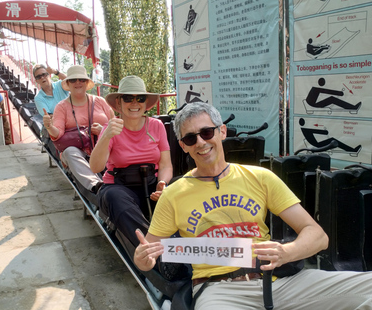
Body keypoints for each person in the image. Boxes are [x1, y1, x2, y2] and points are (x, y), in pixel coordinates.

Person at [134, 102, 372, 309]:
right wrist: (143, 259)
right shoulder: (173, 194)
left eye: (207, 132)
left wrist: (287, 252)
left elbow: (318, 237)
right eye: (190, 138)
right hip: (219, 291)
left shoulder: (260, 177)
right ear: (183, 145)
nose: (200, 142)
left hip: (277, 281)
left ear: (222, 132)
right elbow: (150, 250)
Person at [89, 75, 173, 248]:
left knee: (182, 188)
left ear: (145, 102)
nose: (134, 103)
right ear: (119, 103)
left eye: (139, 98)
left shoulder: (156, 126)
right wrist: (106, 136)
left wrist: (163, 183)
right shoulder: (110, 128)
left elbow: (165, 164)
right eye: (128, 98)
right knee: (115, 198)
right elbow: (95, 167)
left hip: (151, 185)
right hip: (119, 187)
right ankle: (153, 251)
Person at [43, 65, 114, 192]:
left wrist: (103, 131)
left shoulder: (100, 101)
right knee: (70, 152)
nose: (78, 83)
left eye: (81, 80)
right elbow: (58, 134)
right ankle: (96, 186)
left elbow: (114, 126)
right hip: (79, 151)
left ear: (86, 83)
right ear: (68, 84)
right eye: (73, 80)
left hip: (103, 148)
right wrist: (49, 127)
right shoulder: (62, 107)